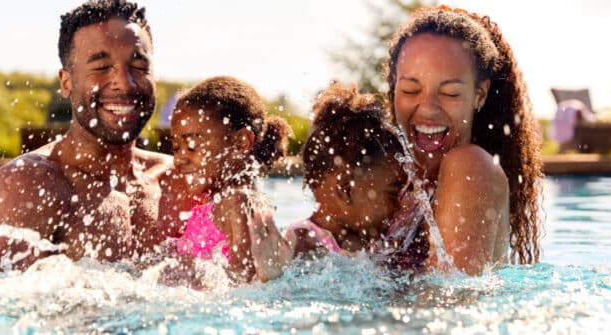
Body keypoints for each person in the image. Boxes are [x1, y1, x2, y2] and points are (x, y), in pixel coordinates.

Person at [0, 0, 172, 278]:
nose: (125, 82)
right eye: (101, 67)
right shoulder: (26, 185)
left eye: (138, 65)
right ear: (66, 82)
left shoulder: (177, 179)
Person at [384, 5, 543, 274]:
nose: (428, 109)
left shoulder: (470, 166)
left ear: (480, 95)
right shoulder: (397, 182)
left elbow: (450, 304)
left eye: (450, 93)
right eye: (411, 90)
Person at [168, 76, 293, 283]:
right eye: (175, 148)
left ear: (241, 142)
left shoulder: (236, 203)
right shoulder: (225, 201)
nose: (179, 158)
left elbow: (243, 281)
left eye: (191, 146)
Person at [285, 82, 411, 259]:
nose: (399, 205)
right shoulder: (305, 242)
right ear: (345, 188)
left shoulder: (366, 245)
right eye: (392, 193)